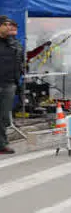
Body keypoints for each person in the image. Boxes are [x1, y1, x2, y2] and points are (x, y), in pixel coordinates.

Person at [0, 16, 23, 154]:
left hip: (9, 84)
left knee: (3, 116)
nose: (9, 27)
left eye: (10, 24)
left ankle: (2, 145)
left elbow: (19, 60)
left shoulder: (13, 43)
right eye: (6, 24)